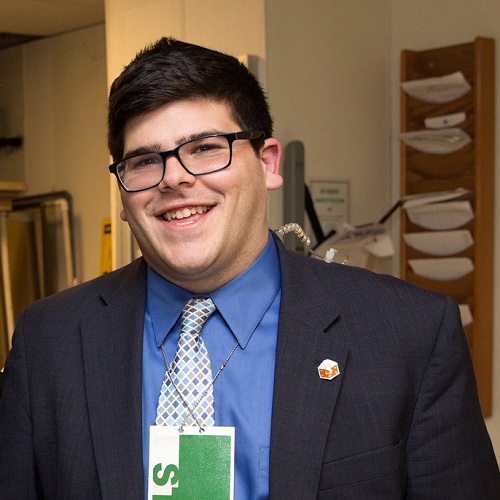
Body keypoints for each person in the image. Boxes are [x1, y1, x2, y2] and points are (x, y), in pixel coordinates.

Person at [0, 37, 498, 500]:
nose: (174, 178)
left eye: (206, 148)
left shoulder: (407, 334)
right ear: (124, 194)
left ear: (268, 163)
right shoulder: (51, 341)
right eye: (146, 161)